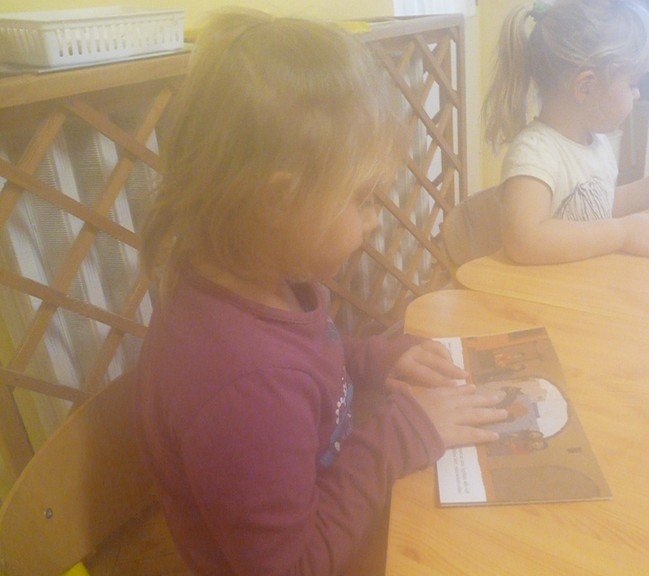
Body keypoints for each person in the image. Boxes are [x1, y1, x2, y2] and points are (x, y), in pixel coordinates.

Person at [136, 9, 508, 576]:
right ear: (279, 201)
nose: (375, 221)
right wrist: (403, 435)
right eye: (362, 199)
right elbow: (292, 566)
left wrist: (375, 359)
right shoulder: (245, 388)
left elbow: (312, 359)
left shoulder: (261, 275)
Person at [483, 0, 649, 264]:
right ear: (586, 88)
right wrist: (621, 233)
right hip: (543, 288)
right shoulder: (536, 153)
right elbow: (525, 242)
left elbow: (601, 207)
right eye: (632, 83)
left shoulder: (595, 142)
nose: (637, 93)